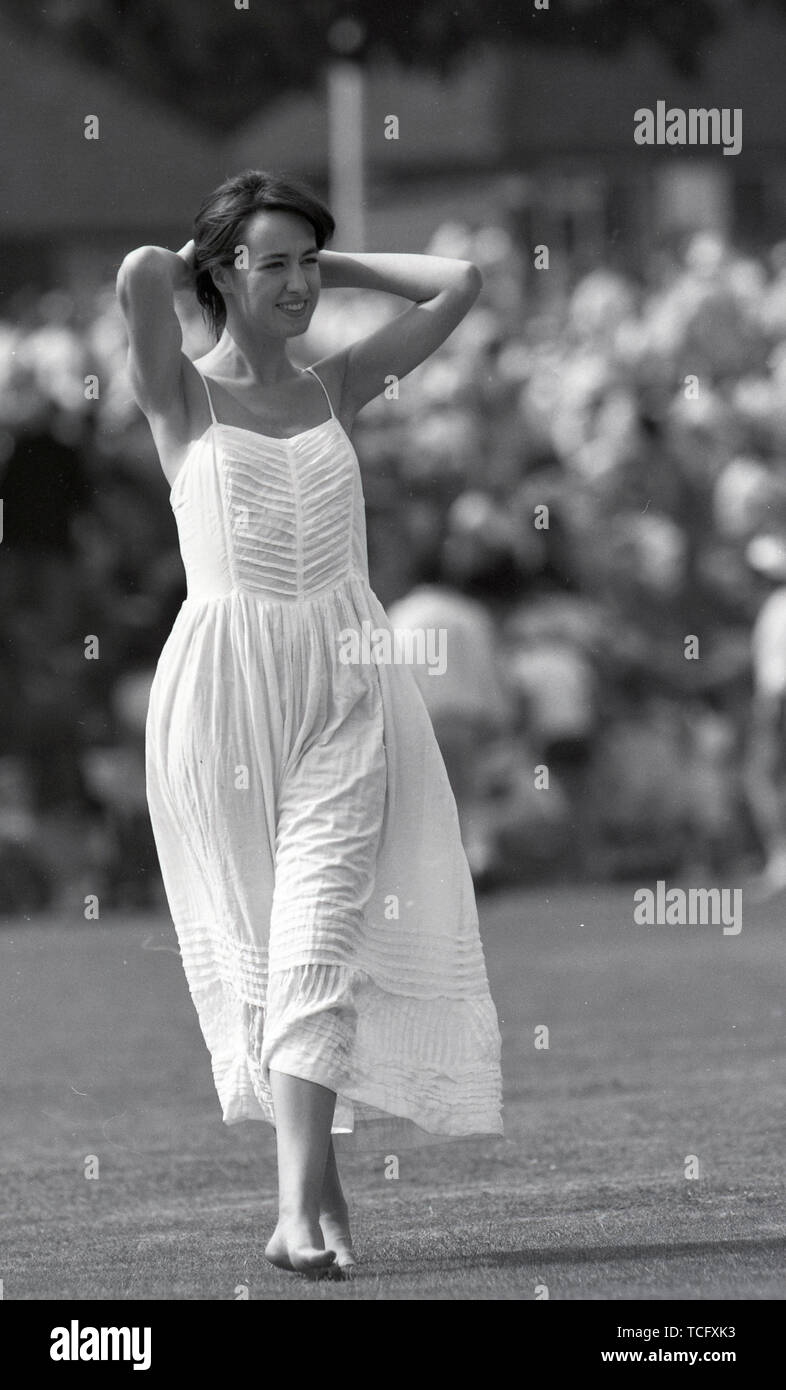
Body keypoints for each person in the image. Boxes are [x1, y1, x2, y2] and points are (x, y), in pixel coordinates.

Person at [115, 169, 503, 1280]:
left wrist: (329, 264)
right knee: (273, 954)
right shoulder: (178, 397)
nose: (296, 284)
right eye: (272, 264)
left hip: (346, 682)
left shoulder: (340, 384)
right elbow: (143, 273)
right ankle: (317, 1196)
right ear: (224, 273)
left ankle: (294, 1211)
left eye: (306, 263)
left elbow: (462, 281)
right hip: (224, 696)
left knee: (321, 932)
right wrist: (214, 265)